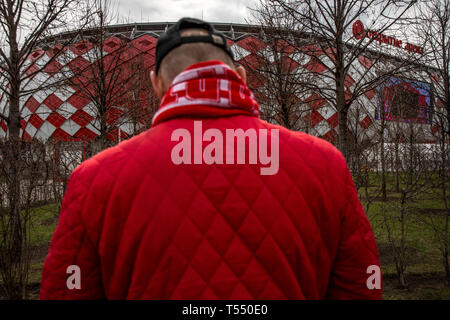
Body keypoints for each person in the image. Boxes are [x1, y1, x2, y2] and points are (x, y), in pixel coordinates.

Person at [40, 17, 381, 299]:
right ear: (242, 77)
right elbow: (362, 285)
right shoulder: (325, 164)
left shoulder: (94, 178)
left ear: (156, 84)